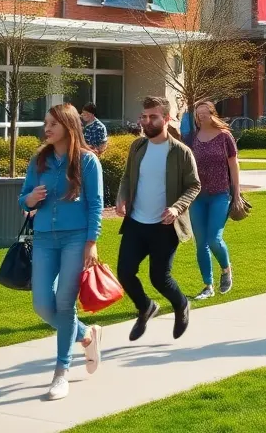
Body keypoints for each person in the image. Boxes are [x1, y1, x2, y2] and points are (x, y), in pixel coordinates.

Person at [19, 104, 104, 400]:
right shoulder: (39, 160)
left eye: (52, 123)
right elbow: (24, 199)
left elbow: (95, 205)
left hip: (75, 240)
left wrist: (91, 243)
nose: (47, 129)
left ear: (68, 126)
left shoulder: (87, 161)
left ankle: (61, 372)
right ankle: (85, 335)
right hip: (43, 238)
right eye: (45, 123)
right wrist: (29, 198)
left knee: (65, 305)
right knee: (42, 305)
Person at [115, 96, 201, 342]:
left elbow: (194, 186)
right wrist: (122, 197)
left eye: (153, 117)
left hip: (165, 226)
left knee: (159, 278)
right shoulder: (137, 147)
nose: (146, 121)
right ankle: (145, 307)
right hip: (136, 223)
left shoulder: (181, 152)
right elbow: (127, 178)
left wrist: (177, 208)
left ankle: (182, 304)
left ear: (166, 118)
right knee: (125, 272)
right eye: (144, 116)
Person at [185, 100, 242, 299]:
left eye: (205, 113)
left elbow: (234, 165)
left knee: (214, 239)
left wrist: (236, 192)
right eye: (198, 114)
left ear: (212, 114)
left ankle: (226, 270)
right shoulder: (193, 137)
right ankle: (207, 286)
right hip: (198, 197)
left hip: (221, 194)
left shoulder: (225, 136)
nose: (201, 116)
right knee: (201, 243)